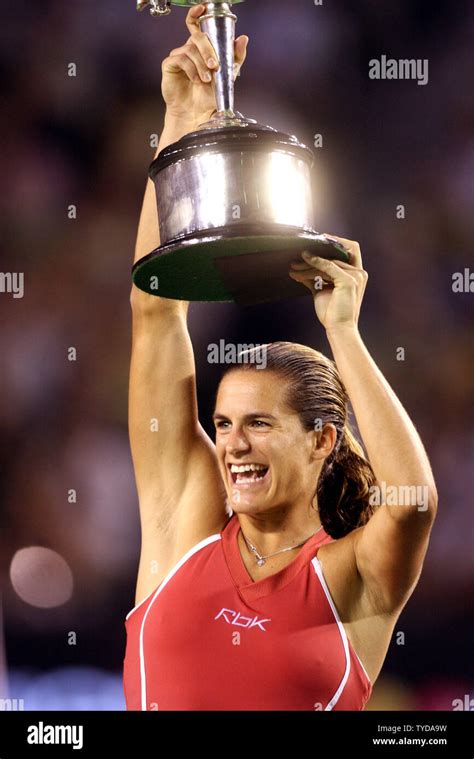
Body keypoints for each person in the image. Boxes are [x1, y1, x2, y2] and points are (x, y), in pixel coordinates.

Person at [123, 4, 438, 711]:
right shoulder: (183, 524)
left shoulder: (352, 576)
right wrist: (181, 123)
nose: (230, 443)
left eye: (258, 424)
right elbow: (154, 309)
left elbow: (414, 502)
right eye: (225, 422)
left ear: (322, 438)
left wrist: (344, 333)